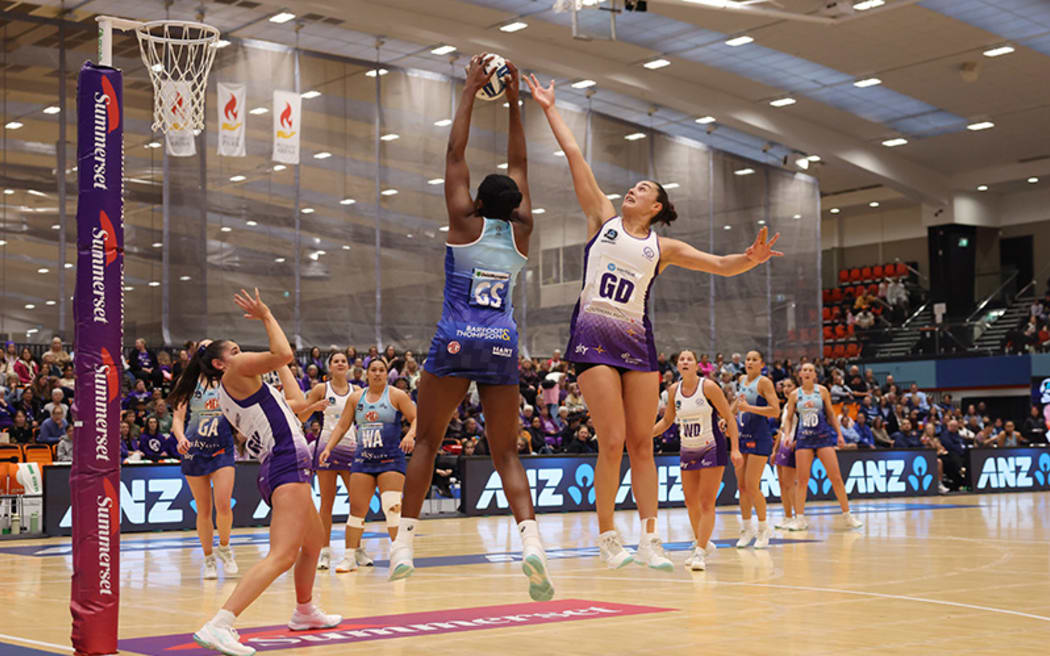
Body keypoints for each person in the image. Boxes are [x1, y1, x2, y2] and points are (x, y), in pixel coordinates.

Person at [525, 71, 782, 570]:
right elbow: (576, 158)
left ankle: (649, 539)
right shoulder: (601, 216)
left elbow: (721, 265)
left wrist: (752, 257)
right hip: (593, 341)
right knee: (614, 441)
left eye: (643, 189)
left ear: (656, 206)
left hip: (637, 345)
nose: (632, 190)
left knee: (643, 444)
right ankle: (606, 536)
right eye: (633, 186)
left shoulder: (663, 247)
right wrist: (550, 108)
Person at [388, 56, 552, 602]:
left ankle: (403, 546)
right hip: (503, 343)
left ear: (478, 202)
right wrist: (512, 102)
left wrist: (469, 91)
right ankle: (531, 543)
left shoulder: (464, 223)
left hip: (457, 337)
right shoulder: (524, 232)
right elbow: (520, 164)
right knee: (506, 452)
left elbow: (454, 153)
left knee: (428, 442)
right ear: (516, 205)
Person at [181, 289, 341, 656]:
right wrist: (267, 315)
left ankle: (304, 610)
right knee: (283, 554)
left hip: (282, 460)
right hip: (287, 459)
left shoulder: (237, 385)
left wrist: (309, 403)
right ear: (221, 364)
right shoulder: (236, 372)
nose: (240, 354)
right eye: (234, 350)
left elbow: (295, 405)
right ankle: (220, 623)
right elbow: (283, 353)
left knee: (313, 543)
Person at [319, 358, 416, 572]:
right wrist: (328, 447)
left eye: (382, 370)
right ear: (366, 373)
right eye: (374, 370)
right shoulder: (356, 398)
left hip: (390, 459)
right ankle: (349, 557)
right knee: (356, 511)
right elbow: (343, 425)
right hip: (363, 460)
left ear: (386, 373)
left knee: (392, 507)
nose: (378, 374)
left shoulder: (397, 395)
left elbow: (416, 418)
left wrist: (410, 434)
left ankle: (400, 556)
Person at [651, 350, 742, 571]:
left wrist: (736, 449)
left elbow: (729, 418)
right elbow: (666, 422)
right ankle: (702, 541)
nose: (684, 362)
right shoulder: (673, 391)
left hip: (712, 447)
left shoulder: (708, 387)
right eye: (681, 359)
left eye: (689, 359)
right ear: (677, 365)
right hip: (688, 450)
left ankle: (700, 551)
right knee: (690, 502)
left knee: (705, 502)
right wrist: (644, 435)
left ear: (696, 365)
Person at [171, 340, 241, 580]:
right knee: (203, 509)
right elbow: (177, 420)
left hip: (222, 447)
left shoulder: (228, 380)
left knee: (223, 503)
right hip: (194, 450)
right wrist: (180, 438)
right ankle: (209, 558)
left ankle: (225, 547)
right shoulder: (188, 383)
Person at [300, 352, 369, 573]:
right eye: (335, 361)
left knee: (358, 504)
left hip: (352, 448)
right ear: (330, 367)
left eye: (343, 361)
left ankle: (357, 549)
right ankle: (325, 551)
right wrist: (313, 408)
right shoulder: (321, 389)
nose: (340, 363)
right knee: (326, 505)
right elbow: (302, 416)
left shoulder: (358, 392)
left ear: (348, 366)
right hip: (326, 450)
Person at [782, 363, 863, 531]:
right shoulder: (795, 395)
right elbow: (789, 418)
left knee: (836, 477)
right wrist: (788, 435)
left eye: (810, 370)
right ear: (800, 374)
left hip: (823, 437)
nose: (807, 372)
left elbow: (831, 415)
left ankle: (847, 515)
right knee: (802, 481)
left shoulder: (822, 391)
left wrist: (839, 435)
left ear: (815, 375)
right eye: (804, 370)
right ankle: (800, 518)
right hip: (804, 439)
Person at [731, 350, 780, 549]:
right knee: (741, 487)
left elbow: (775, 410)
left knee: (752, 485)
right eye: (747, 358)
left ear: (761, 364)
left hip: (760, 438)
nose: (749, 362)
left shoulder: (764, 383)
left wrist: (750, 409)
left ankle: (762, 528)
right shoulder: (742, 379)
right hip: (743, 436)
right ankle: (746, 528)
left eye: (754, 359)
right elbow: (738, 402)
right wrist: (728, 417)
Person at [770, 378, 799, 529]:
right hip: (782, 446)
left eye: (790, 386)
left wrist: (796, 442)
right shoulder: (786, 405)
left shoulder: (799, 405)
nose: (786, 389)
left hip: (792, 446)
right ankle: (787, 517)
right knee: (782, 484)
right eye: (784, 386)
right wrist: (775, 450)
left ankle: (798, 517)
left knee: (790, 483)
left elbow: (803, 427)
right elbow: (781, 430)